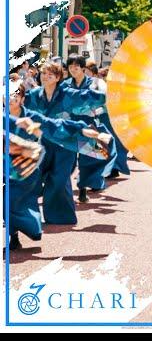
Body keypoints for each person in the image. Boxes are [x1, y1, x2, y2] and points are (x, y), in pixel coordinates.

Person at [23, 61, 107, 224]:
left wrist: (113, 95)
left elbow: (88, 97)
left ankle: (60, 217)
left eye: (50, 74)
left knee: (59, 179)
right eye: (43, 73)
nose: (45, 77)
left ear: (58, 77)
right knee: (31, 180)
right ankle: (28, 219)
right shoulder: (33, 95)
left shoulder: (67, 93)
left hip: (64, 144)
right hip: (39, 143)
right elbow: (18, 108)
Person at [62, 54, 117, 201]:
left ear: (83, 68)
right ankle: (62, 190)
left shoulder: (96, 83)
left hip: (89, 124)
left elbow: (107, 101)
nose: (73, 69)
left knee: (87, 158)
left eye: (76, 66)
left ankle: (82, 189)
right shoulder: (64, 84)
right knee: (67, 159)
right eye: (70, 66)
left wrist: (96, 111)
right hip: (70, 124)